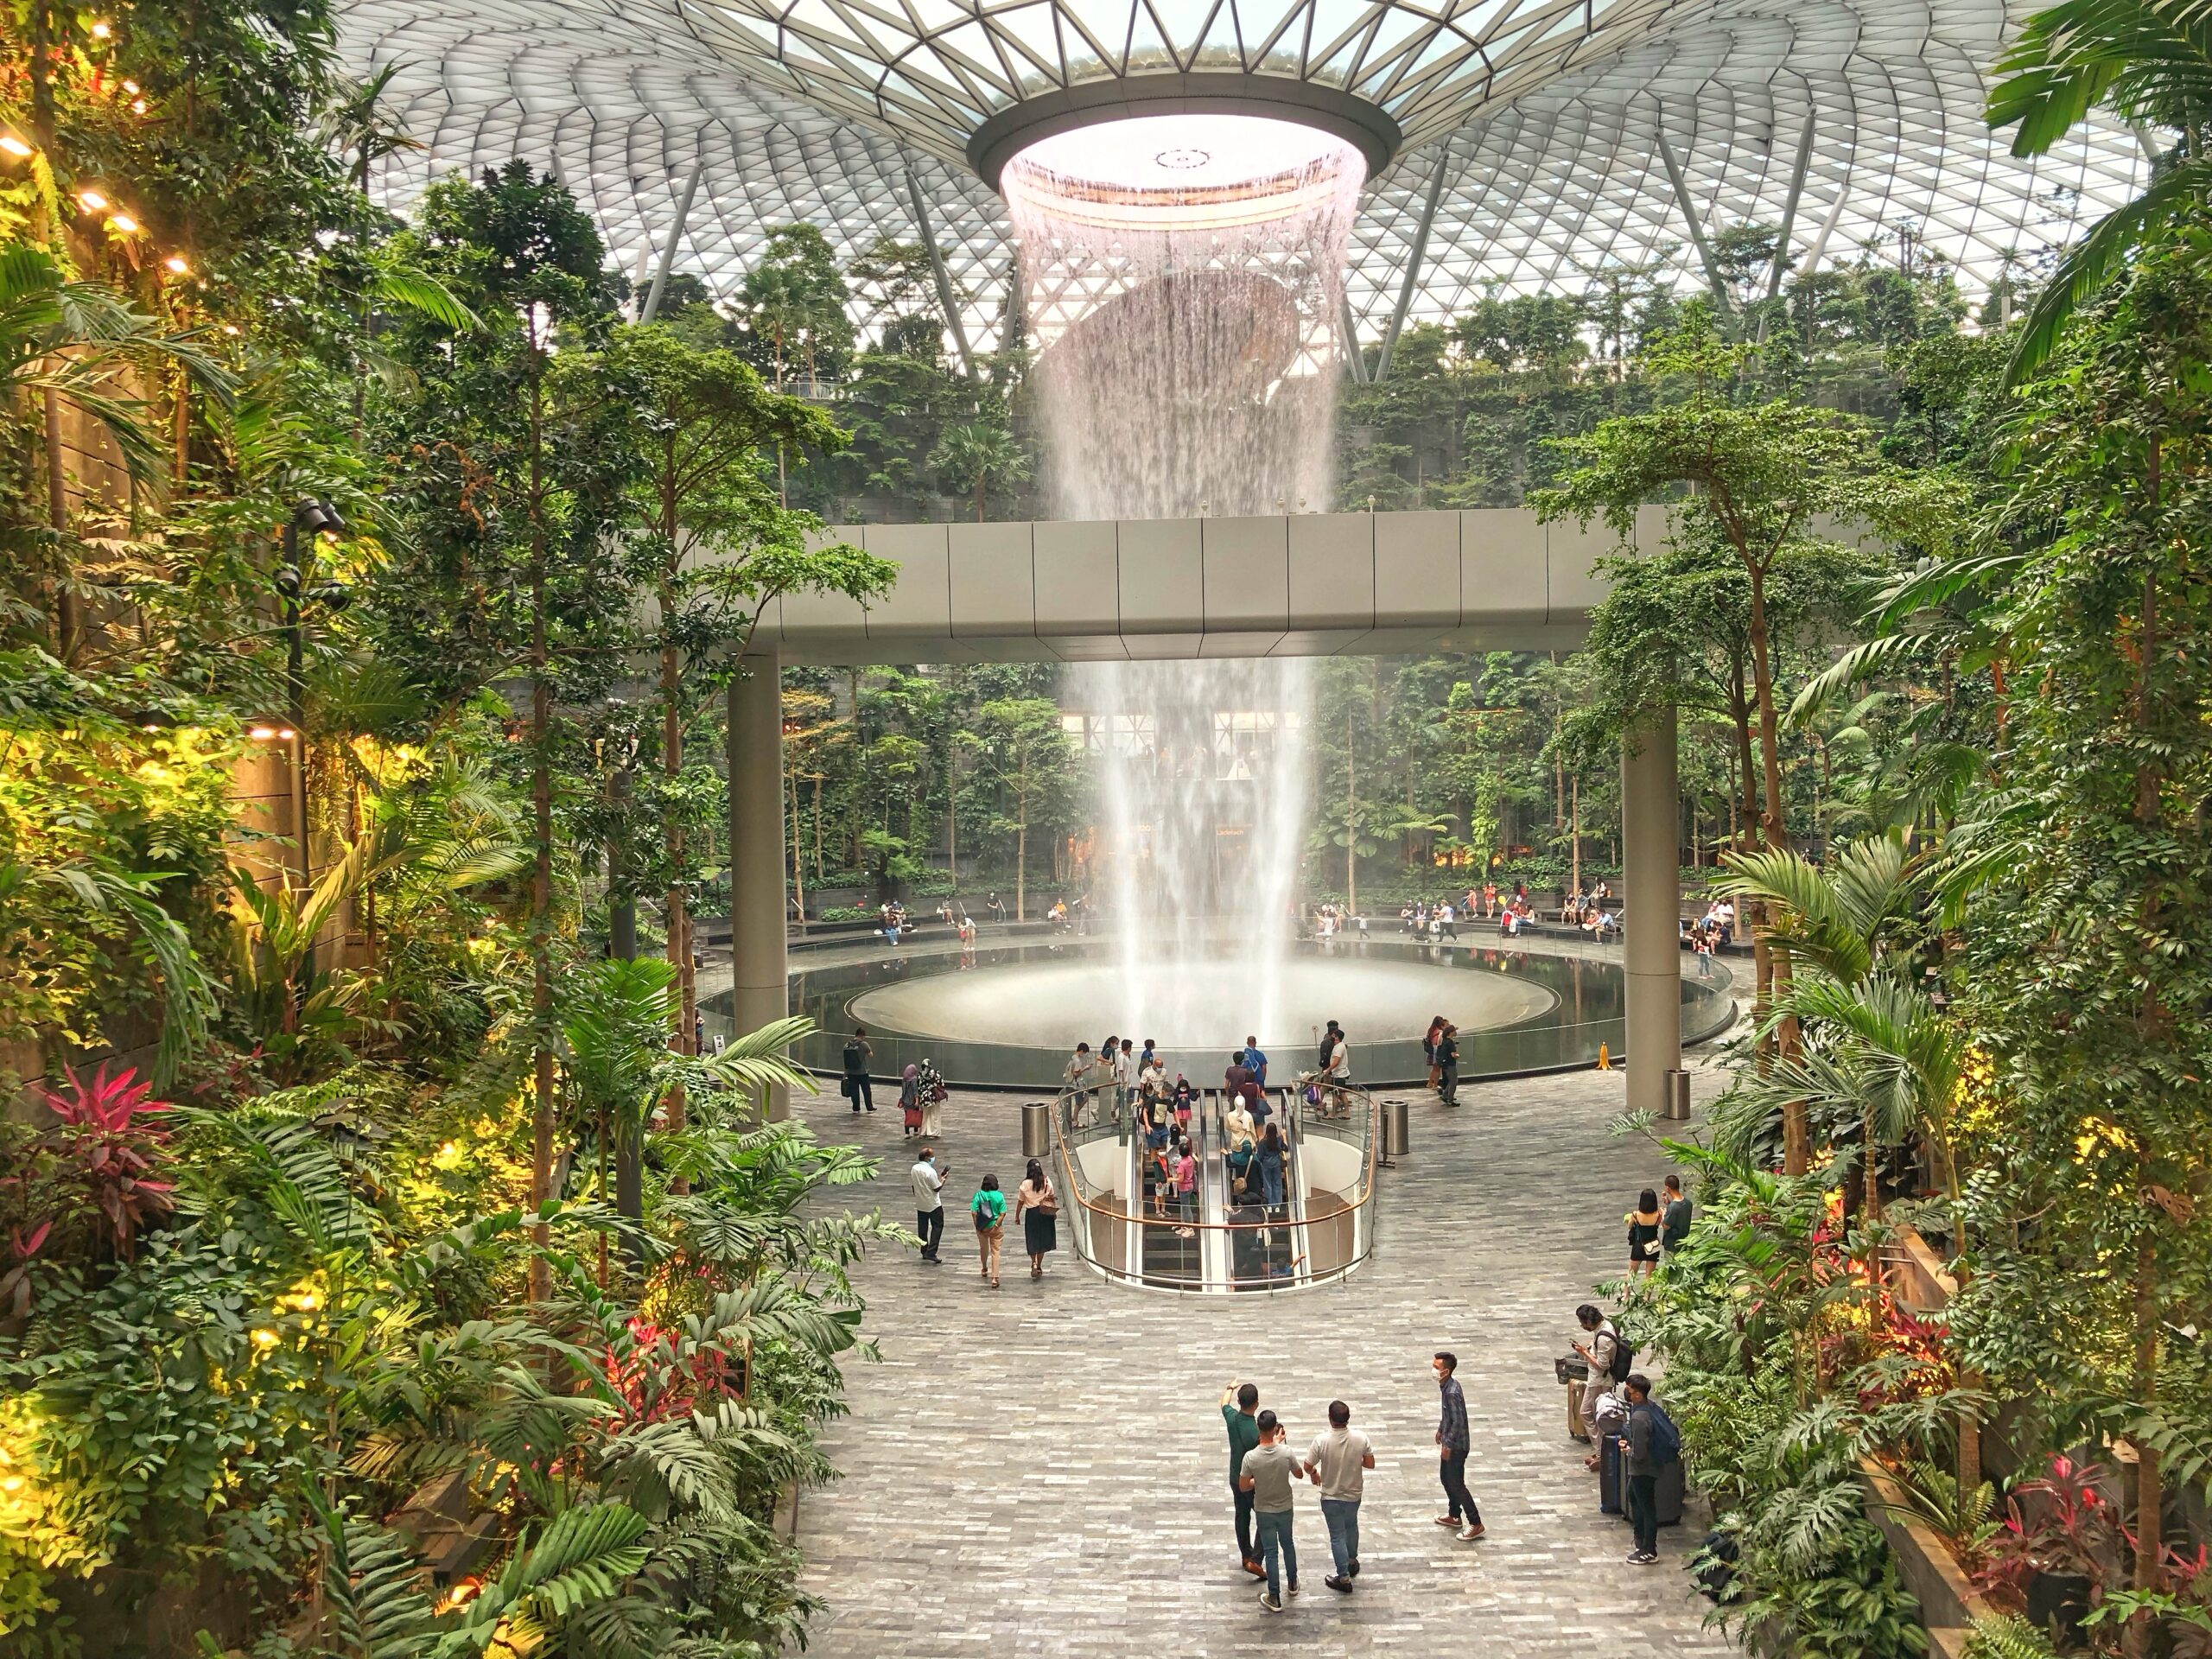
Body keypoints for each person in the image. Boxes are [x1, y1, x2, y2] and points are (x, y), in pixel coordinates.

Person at [1238, 1408, 1307, 1612]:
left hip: (1264, 1509)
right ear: (1275, 1427)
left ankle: (1274, 1596)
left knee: (1271, 1553)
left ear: (1259, 1428)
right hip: (1285, 1506)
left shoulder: (1251, 1458)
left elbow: (1243, 1486)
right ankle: (1293, 1582)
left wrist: (1257, 1480)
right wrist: (1280, 1445)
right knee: (1288, 1544)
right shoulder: (1286, 1452)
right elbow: (1299, 1474)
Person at [1304, 1399, 1375, 1592]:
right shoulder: (1361, 1438)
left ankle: (1343, 1578)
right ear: (1348, 1419)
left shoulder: (1321, 1441)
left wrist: (1314, 1474)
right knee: (1351, 1526)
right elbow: (1370, 1463)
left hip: (1331, 1497)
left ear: (1330, 1418)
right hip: (1353, 1495)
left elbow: (1307, 1466)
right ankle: (1352, 1560)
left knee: (1337, 1536)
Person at [1618, 1373, 1674, 1565]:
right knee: (1632, 1494)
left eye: (1629, 1390)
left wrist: (1627, 1449)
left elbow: (1639, 1453)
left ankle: (1649, 1550)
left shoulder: (1639, 1418)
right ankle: (1641, 1541)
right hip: (1645, 1467)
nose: (1627, 1393)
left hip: (1644, 1468)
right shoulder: (1649, 1408)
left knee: (1647, 1507)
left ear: (1638, 1395)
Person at [1432, 1351, 1483, 1541]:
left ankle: (1475, 1522)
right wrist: (1440, 1429)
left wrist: (1448, 1444)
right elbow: (1448, 1416)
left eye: (1437, 1368)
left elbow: (1458, 1421)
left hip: (1457, 1446)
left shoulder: (1452, 1392)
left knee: (1456, 1483)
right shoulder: (1446, 1386)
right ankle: (1454, 1514)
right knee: (1446, 1478)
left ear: (1446, 1371)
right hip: (1451, 1441)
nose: (1434, 1370)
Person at [1220, 1380, 1267, 1580]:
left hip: (1235, 1477)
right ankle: (1256, 1559)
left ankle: (1245, 1555)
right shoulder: (1256, 1432)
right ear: (1256, 1403)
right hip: (1253, 1482)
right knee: (1265, 1518)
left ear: (1239, 1402)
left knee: (1242, 1515)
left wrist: (1230, 1388)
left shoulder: (1232, 1418)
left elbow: (1223, 1404)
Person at [1572, 1303, 1623, 1451]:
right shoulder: (1604, 1326)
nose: (1583, 1326)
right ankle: (1600, 1448)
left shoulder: (1603, 1339)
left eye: (1583, 1323)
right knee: (1588, 1413)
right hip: (1596, 1379)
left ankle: (1602, 1450)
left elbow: (1602, 1365)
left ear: (1589, 1321)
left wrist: (1584, 1352)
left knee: (1596, 1415)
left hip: (1601, 1380)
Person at [1014, 1157, 1057, 1279]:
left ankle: (1033, 1262)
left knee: (1032, 1238)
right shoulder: (1047, 1181)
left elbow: (1020, 1202)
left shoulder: (1025, 1184)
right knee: (1042, 1241)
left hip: (1031, 1214)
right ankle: (1039, 1266)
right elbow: (1052, 1197)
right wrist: (1054, 1213)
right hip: (1045, 1213)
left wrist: (1017, 1216)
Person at [910, 1147, 946, 1264]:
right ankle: (932, 1252)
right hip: (933, 1203)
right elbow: (936, 1188)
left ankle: (924, 1249)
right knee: (937, 1226)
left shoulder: (914, 1168)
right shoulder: (930, 1172)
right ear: (927, 1158)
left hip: (920, 1202)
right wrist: (943, 1180)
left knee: (922, 1228)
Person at [970, 1172, 1006, 1288]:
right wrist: (996, 1226)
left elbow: (974, 1212)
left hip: (982, 1227)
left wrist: (977, 1226)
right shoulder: (999, 1196)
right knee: (996, 1251)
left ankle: (984, 1267)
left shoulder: (979, 1195)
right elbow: (1003, 1213)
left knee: (983, 1248)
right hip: (996, 1227)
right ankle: (995, 1278)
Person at [1628, 1187, 1664, 1279]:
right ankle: (1647, 1294)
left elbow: (1629, 1226)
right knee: (1650, 1275)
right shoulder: (1659, 1215)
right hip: (1653, 1244)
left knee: (1632, 1272)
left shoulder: (1635, 1214)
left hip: (1638, 1244)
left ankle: (1626, 1293)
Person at [1254, 1121, 1287, 1212]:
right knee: (1277, 1183)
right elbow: (1286, 1148)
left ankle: (1269, 1204)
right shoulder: (1279, 1139)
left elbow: (1259, 1156)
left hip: (1266, 1165)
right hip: (1276, 1164)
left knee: (1267, 1184)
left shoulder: (1263, 1142)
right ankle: (1277, 1205)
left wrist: (1263, 1161)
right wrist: (1284, 1136)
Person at [842, 1027, 874, 1114]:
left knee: (854, 1091)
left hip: (851, 1072)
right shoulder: (863, 1044)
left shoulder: (847, 1045)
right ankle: (869, 1108)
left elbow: (846, 1060)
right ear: (862, 1036)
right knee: (866, 1090)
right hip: (862, 1072)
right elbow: (871, 1054)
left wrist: (845, 1074)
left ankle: (856, 1109)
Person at [1661, 1173, 1692, 1256]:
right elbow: (1678, 1214)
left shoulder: (1673, 1207)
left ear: (1667, 1188)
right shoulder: (1688, 1203)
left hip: (1672, 1244)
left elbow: (1666, 1226)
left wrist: (1663, 1214)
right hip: (1684, 1242)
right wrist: (1669, 1204)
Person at [918, 1057, 947, 1137]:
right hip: (932, 1098)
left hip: (925, 1098)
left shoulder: (920, 1075)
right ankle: (932, 1132)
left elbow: (919, 1087)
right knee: (933, 1115)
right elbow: (941, 1084)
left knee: (926, 1115)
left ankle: (925, 1131)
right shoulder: (936, 1074)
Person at [1435, 1021, 1460, 1107]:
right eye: (1454, 1031)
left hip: (1445, 1064)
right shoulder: (1450, 1042)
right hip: (1450, 1064)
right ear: (1451, 1033)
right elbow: (1453, 1055)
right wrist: (1457, 1055)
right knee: (1454, 1082)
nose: (1455, 1032)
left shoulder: (1445, 1041)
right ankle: (1450, 1099)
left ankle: (1445, 1095)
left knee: (1451, 1081)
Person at [899, 1063, 923, 1137]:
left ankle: (907, 1133)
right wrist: (917, 1101)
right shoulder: (914, 1079)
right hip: (912, 1101)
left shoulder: (904, 1079)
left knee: (907, 1117)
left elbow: (903, 1091)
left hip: (906, 1101)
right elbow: (915, 1091)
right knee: (915, 1115)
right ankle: (916, 1130)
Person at [1424, 1015, 1446, 1090]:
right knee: (1437, 1069)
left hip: (1432, 1050)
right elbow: (1438, 1042)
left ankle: (1430, 1083)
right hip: (1437, 1050)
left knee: (1434, 1068)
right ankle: (1435, 1085)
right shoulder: (1439, 1031)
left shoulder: (1431, 1030)